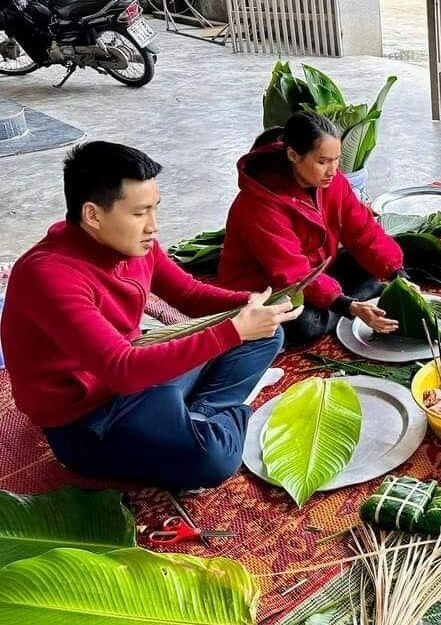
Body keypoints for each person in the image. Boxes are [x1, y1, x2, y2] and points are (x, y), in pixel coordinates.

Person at [0, 142, 300, 490]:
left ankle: (204, 412)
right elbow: (122, 369)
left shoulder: (132, 244)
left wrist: (251, 302)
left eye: (154, 209)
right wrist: (233, 330)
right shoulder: (49, 276)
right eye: (140, 213)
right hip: (89, 418)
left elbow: (189, 294)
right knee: (214, 459)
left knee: (268, 332)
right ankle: (216, 411)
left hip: (140, 373)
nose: (153, 226)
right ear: (92, 215)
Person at [219, 111, 406, 346]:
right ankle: (353, 300)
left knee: (375, 263)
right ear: (293, 155)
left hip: (316, 271)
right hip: (269, 289)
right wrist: (349, 306)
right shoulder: (259, 204)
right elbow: (291, 273)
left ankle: (350, 298)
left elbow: (363, 230)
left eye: (336, 159)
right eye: (322, 162)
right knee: (306, 325)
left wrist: (398, 274)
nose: (333, 170)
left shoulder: (333, 182)